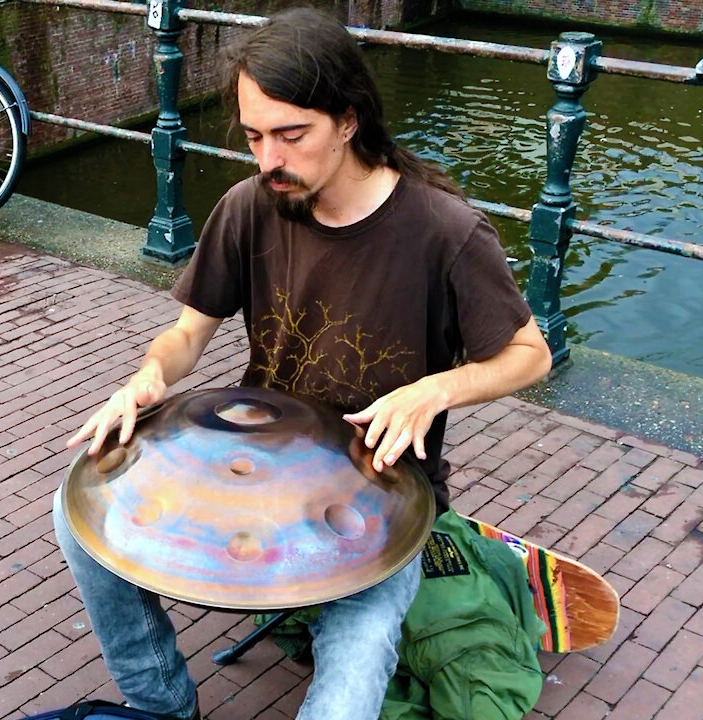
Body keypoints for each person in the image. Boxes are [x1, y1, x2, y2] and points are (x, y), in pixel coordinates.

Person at [53, 7, 553, 720]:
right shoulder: (249, 206)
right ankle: (160, 702)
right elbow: (187, 335)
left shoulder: (445, 230)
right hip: (262, 474)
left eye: (291, 136)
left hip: (378, 494)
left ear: (348, 121)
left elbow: (531, 355)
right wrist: (146, 378)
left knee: (358, 653)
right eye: (255, 137)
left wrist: (433, 392)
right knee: (80, 515)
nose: (269, 161)